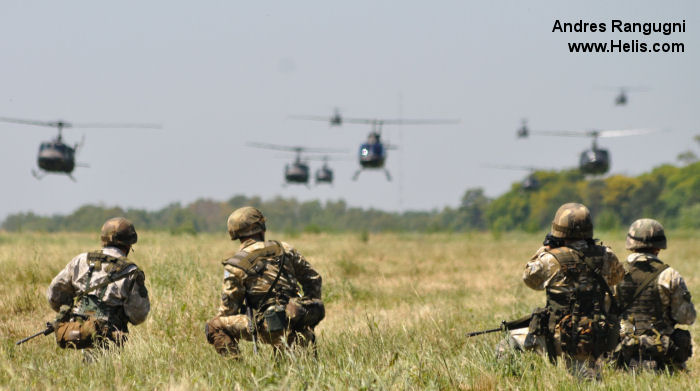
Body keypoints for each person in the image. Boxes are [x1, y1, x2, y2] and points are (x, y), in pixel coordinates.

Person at [507, 203, 624, 379]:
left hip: (559, 338)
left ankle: (513, 379)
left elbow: (529, 279)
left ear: (557, 228)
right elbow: (618, 278)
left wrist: (545, 248)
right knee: (587, 377)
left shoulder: (550, 259)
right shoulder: (606, 255)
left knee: (510, 341)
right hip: (598, 335)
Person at [205, 207, 325, 358]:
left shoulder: (235, 264)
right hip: (297, 320)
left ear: (234, 233)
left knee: (214, 326)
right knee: (288, 368)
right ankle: (298, 338)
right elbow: (314, 279)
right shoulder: (284, 249)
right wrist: (307, 313)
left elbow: (229, 310)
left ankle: (237, 370)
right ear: (261, 227)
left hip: (268, 328)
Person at [47, 217, 150, 350]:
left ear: (103, 240)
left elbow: (53, 294)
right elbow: (139, 315)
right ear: (129, 244)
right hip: (111, 340)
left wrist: (72, 312)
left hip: (76, 336)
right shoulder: (132, 272)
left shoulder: (80, 260)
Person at [615, 218, 696, 371]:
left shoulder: (615, 273)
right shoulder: (670, 275)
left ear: (630, 244)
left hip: (623, 358)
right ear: (659, 247)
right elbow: (687, 318)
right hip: (663, 358)